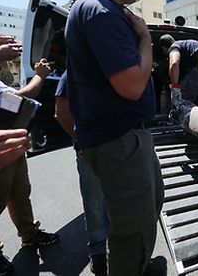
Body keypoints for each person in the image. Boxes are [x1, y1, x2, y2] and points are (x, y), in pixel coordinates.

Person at [65, 0, 164, 274]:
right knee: (131, 234)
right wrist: (145, 39)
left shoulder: (101, 10)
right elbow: (132, 85)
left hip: (125, 140)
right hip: (120, 143)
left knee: (145, 215)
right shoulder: (99, 12)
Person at [0, 45, 59, 275]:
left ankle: (29, 234)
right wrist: (40, 76)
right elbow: (19, 98)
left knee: (19, 194)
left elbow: (9, 101)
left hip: (5, 146)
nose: (5, 56)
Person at [55, 71, 110, 275]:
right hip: (91, 148)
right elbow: (61, 113)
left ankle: (113, 251)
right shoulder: (71, 74)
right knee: (95, 202)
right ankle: (99, 256)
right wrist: (83, 140)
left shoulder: (109, 67)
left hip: (115, 146)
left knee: (105, 201)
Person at [158, 34, 198, 114]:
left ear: (163, 48)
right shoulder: (188, 44)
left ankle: (179, 123)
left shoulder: (174, 47)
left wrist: (175, 88)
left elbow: (174, 64)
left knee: (182, 98)